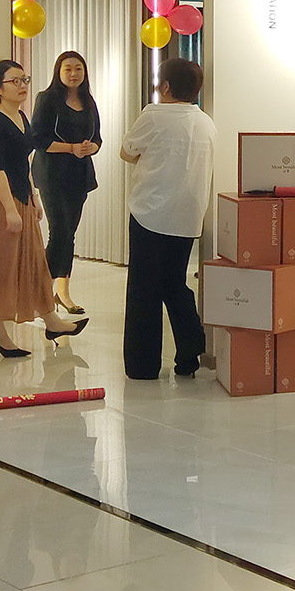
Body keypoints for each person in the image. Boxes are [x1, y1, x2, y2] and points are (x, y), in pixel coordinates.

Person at [0, 60, 88, 358]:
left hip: (21, 196)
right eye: (15, 81)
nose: (22, 86)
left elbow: (23, 164)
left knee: (33, 263)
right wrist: (10, 209)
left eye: (24, 80)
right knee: (0, 267)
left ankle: (51, 321)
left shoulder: (19, 116)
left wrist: (33, 197)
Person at [119, 58, 216, 380]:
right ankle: (190, 353)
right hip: (188, 216)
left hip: (151, 213)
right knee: (175, 284)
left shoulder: (154, 114)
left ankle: (142, 366)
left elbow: (127, 152)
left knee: (144, 290)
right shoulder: (206, 122)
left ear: (166, 86)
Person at [30, 51, 102, 315]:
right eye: (68, 69)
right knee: (59, 232)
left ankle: (62, 293)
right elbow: (38, 139)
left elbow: (98, 138)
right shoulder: (47, 99)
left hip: (79, 175)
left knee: (68, 234)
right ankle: (41, 293)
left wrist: (92, 147)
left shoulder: (88, 101)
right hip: (52, 174)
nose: (73, 74)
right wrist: (71, 148)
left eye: (78, 69)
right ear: (58, 72)